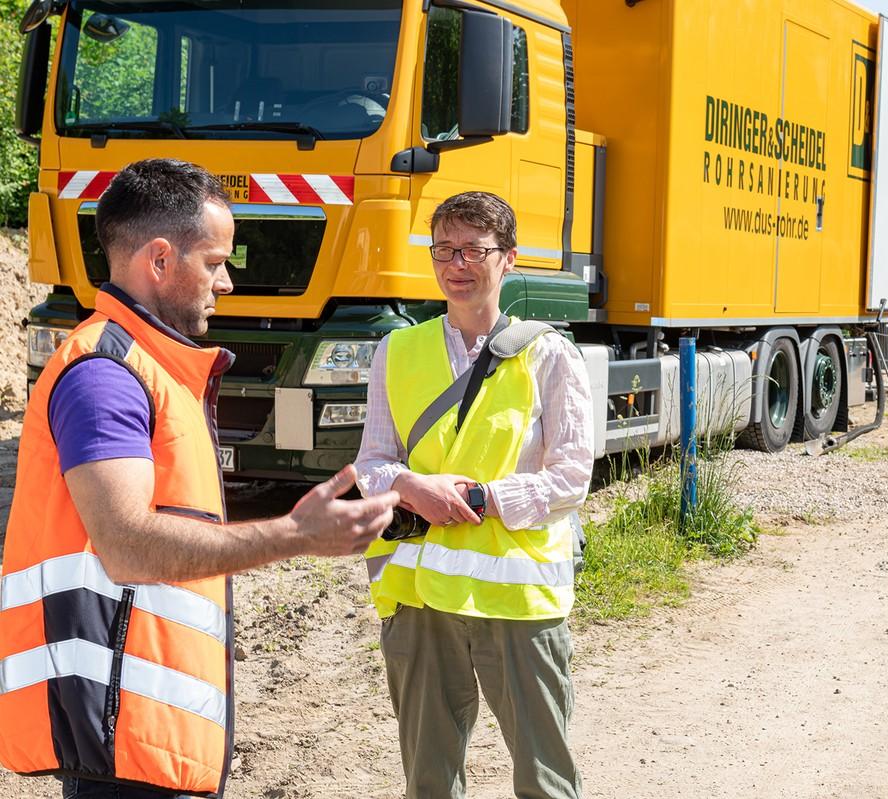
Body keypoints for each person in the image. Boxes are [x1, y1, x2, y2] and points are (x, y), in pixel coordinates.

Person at [0, 159, 399, 799]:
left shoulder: (153, 368)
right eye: (215, 262)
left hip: (146, 729)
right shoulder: (106, 374)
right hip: (125, 736)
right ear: (160, 261)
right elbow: (127, 546)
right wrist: (296, 534)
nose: (229, 281)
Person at [354, 191, 593, 799]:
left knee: (545, 779)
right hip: (418, 594)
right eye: (445, 249)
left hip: (519, 600)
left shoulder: (549, 354)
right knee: (429, 780)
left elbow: (571, 478)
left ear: (507, 259)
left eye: (474, 250)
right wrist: (410, 484)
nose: (457, 264)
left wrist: (481, 499)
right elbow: (372, 463)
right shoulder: (396, 351)